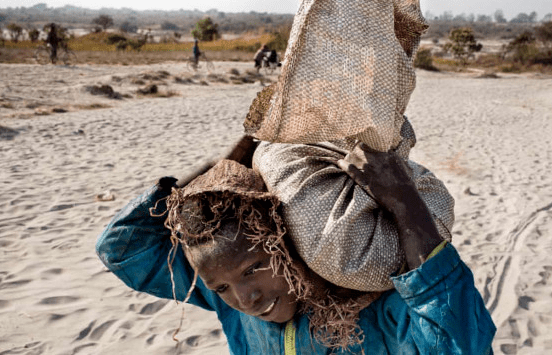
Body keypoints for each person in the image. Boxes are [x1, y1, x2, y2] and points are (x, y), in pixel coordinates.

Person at [96, 137, 496, 354]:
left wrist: (406, 204)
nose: (245, 297)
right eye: (220, 287)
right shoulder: (226, 300)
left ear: (284, 245)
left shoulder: (376, 309)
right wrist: (222, 166)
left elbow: (459, 345)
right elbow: (119, 248)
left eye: (253, 267)